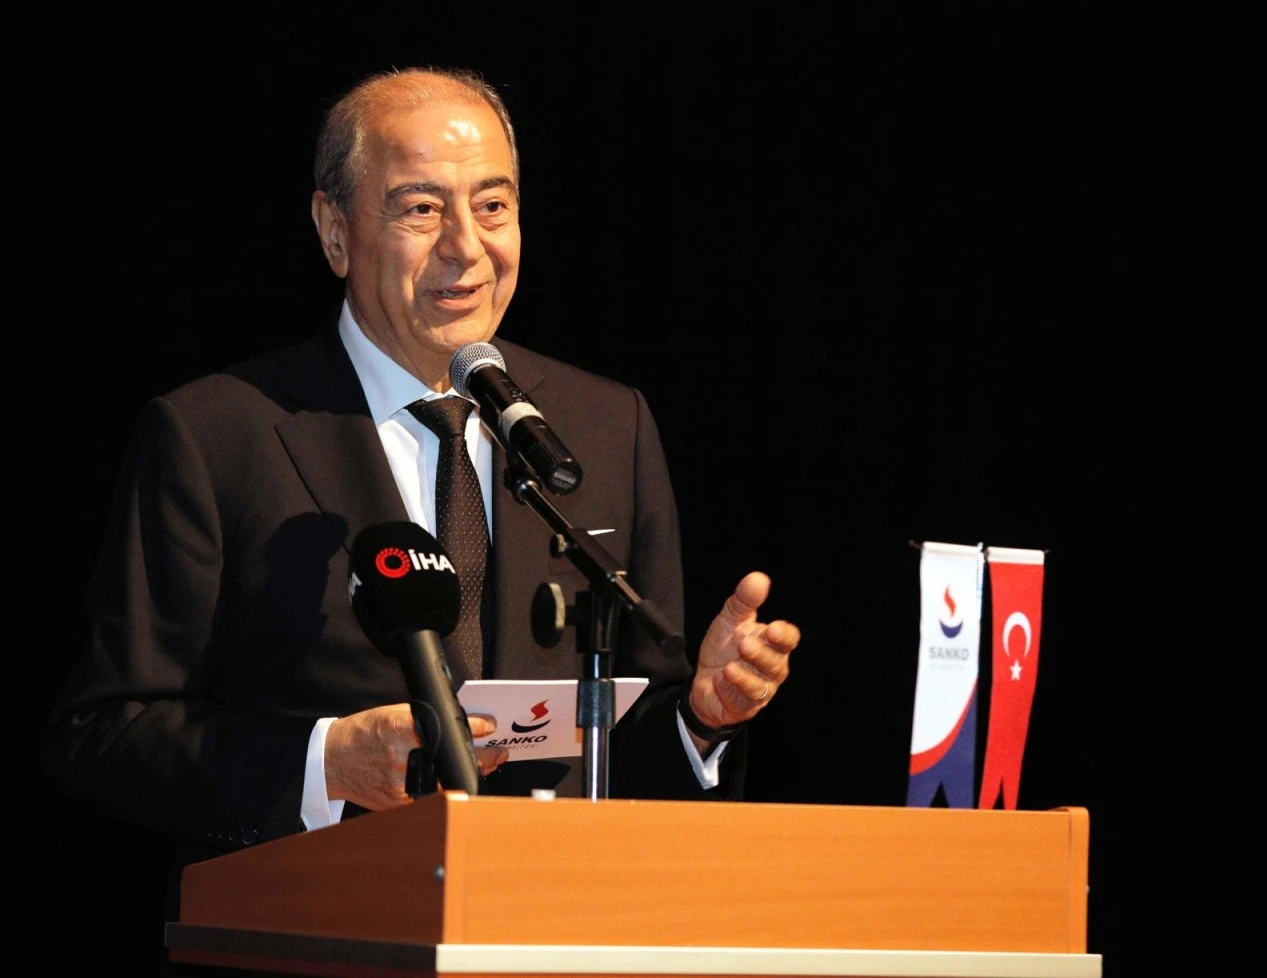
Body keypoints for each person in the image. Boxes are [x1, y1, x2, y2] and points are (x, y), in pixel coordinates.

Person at [41, 65, 800, 970]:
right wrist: (325, 761)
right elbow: (106, 733)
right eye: (420, 209)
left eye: (492, 206)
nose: (466, 248)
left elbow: (622, 747)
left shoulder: (602, 427)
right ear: (334, 231)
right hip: (322, 938)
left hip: (552, 937)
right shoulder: (217, 435)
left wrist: (702, 720)